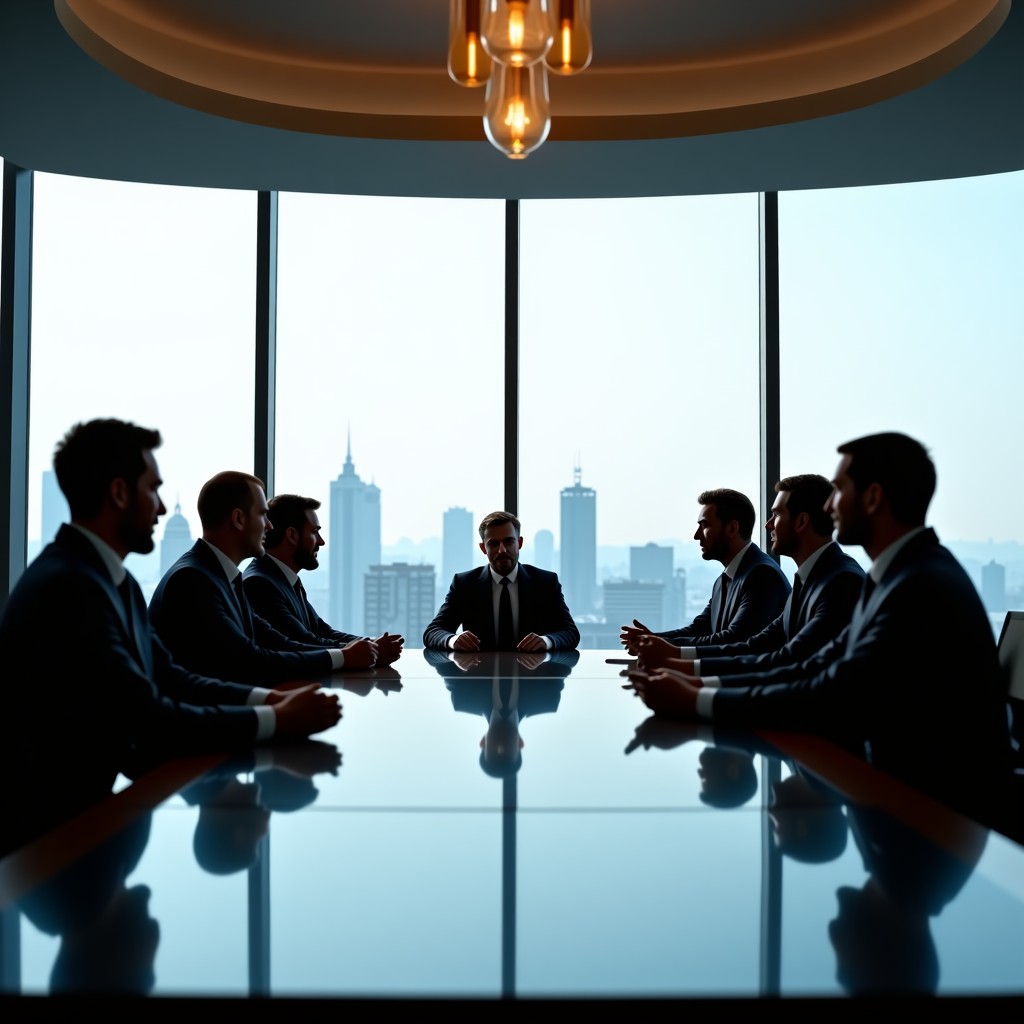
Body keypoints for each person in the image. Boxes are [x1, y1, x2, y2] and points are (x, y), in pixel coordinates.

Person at [629, 433, 1012, 826]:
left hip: (937, 817)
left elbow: (829, 689)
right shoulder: (890, 577)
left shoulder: (911, 585)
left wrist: (698, 698)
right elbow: (802, 663)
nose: (829, 506)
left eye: (839, 490)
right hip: (903, 800)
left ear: (873, 498)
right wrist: (697, 683)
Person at [0, 420, 340, 845]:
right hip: (49, 841)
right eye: (153, 489)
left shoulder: (111, 580)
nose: (162, 508)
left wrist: (269, 700)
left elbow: (172, 676)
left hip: (90, 822)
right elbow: (149, 718)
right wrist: (275, 718)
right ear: (119, 493)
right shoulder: (71, 587)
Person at [149, 472, 378, 686]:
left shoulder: (222, 576)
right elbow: (250, 659)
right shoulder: (193, 579)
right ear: (238, 519)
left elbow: (277, 642)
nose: (269, 526)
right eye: (262, 515)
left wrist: (354, 652)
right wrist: (344, 657)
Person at [637, 474, 864, 676]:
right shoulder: (808, 577)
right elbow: (758, 645)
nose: (768, 525)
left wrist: (685, 670)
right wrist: (666, 648)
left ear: (802, 521)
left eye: (776, 514)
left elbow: (787, 657)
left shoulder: (841, 581)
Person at [621, 487, 790, 654]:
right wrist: (653, 639)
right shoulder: (725, 579)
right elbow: (700, 628)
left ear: (732, 528)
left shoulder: (762, 575)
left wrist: (663, 644)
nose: (697, 535)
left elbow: (734, 639)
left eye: (704, 525)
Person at [242, 493, 403, 664]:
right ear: (292, 535)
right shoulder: (259, 584)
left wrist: (370, 644)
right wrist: (370, 650)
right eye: (314, 532)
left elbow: (321, 630)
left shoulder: (283, 578)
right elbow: (302, 641)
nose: (321, 541)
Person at [423, 510, 580, 651]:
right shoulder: (464, 584)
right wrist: (453, 640)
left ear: (519, 543)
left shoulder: (545, 583)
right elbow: (433, 631)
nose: (502, 550)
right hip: (479, 672)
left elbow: (570, 632)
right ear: (483, 548)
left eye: (509, 541)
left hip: (534, 672)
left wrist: (546, 641)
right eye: (493, 543)